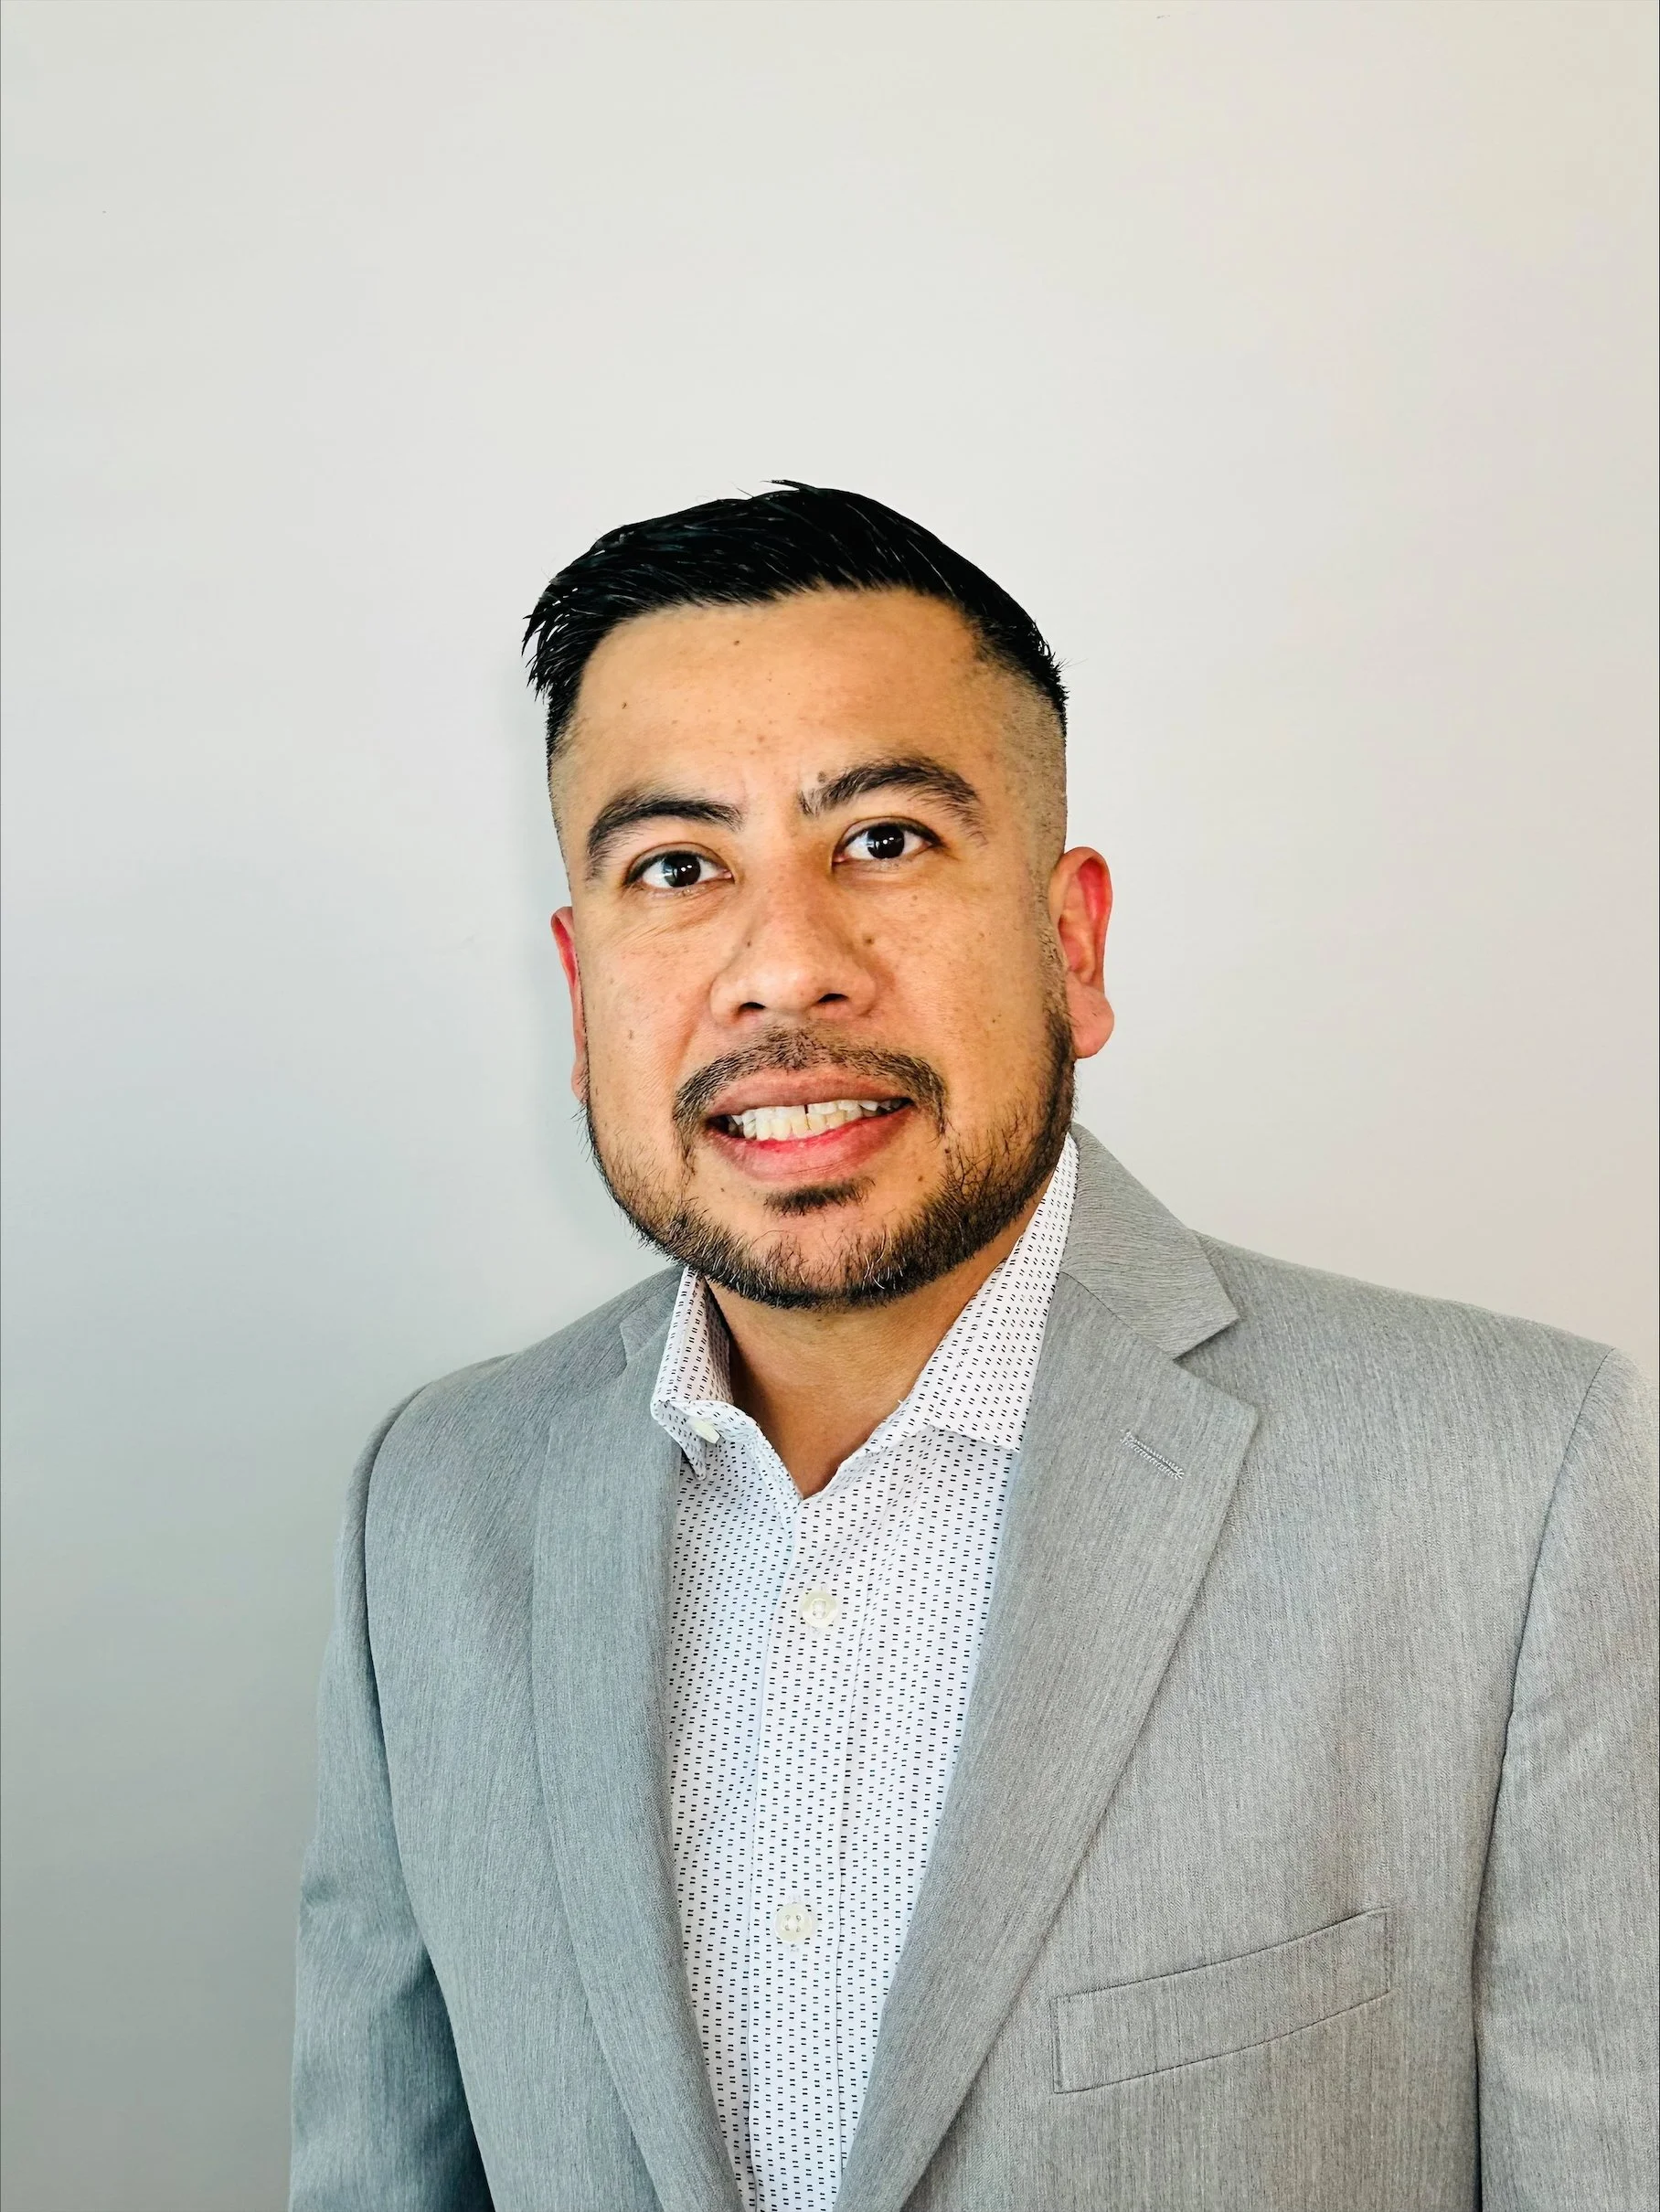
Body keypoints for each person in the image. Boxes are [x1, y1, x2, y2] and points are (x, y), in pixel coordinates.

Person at [289, 484, 1656, 2212]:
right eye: (677, 868)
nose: (785, 970)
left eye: (884, 842)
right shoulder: (428, 1506)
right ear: (580, 990)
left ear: (1070, 941)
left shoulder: (1507, 1486)